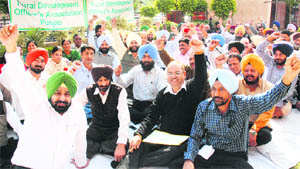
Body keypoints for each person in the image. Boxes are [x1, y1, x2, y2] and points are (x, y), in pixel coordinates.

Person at [183, 55, 300, 169]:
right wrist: (189, 160)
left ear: (230, 90)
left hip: (233, 157)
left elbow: (268, 99)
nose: (217, 94)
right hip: (208, 152)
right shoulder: (204, 106)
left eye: (222, 89)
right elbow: (195, 136)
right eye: (214, 89)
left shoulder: (242, 104)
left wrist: (287, 78)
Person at [0, 24, 89, 169]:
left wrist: (81, 162)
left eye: (67, 94)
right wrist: (11, 47)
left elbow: (80, 141)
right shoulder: (37, 105)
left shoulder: (77, 112)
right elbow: (18, 77)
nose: (61, 98)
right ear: (49, 92)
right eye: (57, 92)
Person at [116, 39, 208, 169]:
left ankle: (136, 162)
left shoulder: (192, 88)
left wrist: (199, 52)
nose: (174, 76)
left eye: (177, 73)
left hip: (183, 138)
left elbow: (201, 76)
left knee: (168, 154)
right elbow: (151, 117)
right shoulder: (163, 94)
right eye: (170, 73)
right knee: (137, 147)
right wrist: (138, 135)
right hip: (162, 135)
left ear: (184, 74)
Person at [77, 65, 130, 164]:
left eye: (106, 80)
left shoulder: (119, 91)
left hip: (113, 129)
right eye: (100, 81)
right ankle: (103, 147)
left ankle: (95, 148)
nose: (103, 84)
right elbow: (75, 108)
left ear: (110, 79)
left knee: (125, 145)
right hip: (96, 128)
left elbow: (124, 117)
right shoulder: (88, 91)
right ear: (95, 80)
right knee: (79, 141)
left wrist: (121, 144)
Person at [114, 44, 167, 124]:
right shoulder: (136, 70)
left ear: (153, 58)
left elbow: (162, 90)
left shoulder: (159, 73)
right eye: (144, 57)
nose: (146, 60)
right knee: (122, 109)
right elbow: (124, 83)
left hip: (151, 105)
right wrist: (118, 76)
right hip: (136, 105)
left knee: (151, 113)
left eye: (149, 57)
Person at [236, 54, 274, 146]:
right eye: (246, 71)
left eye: (252, 71)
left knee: (265, 136)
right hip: (238, 121)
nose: (249, 73)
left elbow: (267, 113)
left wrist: (254, 129)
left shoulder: (268, 87)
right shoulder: (236, 83)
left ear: (259, 72)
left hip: (258, 122)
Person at [256, 32, 298, 118]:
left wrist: (275, 106)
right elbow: (259, 50)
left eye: (281, 55)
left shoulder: (291, 69)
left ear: (287, 56)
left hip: (283, 102)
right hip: (266, 98)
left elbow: (287, 92)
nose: (277, 57)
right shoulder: (270, 62)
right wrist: (268, 40)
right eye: (275, 54)